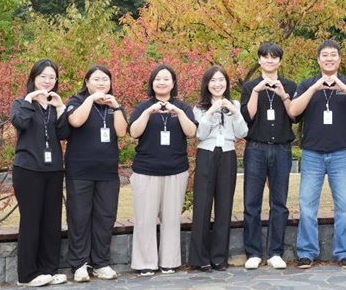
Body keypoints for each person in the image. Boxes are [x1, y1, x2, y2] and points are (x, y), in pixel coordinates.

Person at [289, 39, 346, 270]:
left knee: (344, 205)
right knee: (307, 205)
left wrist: (341, 86)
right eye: (324, 55)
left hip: (340, 153)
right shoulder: (307, 83)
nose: (329, 58)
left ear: (339, 59)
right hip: (312, 154)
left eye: (333, 55)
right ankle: (306, 253)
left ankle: (344, 252)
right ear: (318, 59)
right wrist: (315, 88)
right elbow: (293, 111)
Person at [128, 64, 197, 277]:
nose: (162, 82)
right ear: (152, 82)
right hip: (146, 170)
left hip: (176, 170)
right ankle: (145, 262)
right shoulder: (143, 106)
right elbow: (133, 132)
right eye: (158, 78)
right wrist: (149, 112)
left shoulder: (183, 107)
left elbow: (191, 132)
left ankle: (169, 261)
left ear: (173, 83)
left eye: (166, 79)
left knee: (171, 219)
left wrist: (179, 112)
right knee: (145, 219)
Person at [10, 59, 70, 287]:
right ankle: (27, 275)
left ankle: (49, 269)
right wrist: (30, 100)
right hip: (28, 169)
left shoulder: (54, 106)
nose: (47, 81)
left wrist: (61, 107)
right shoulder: (20, 103)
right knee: (31, 221)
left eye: (52, 77)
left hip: (53, 170)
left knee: (51, 221)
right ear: (33, 78)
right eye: (43, 76)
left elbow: (64, 134)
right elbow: (20, 123)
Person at [65, 65, 127, 282]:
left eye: (105, 80)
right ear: (87, 82)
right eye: (96, 79)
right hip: (80, 171)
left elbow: (122, 132)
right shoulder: (76, 101)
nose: (101, 83)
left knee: (105, 218)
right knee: (79, 218)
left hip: (107, 172)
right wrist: (91, 99)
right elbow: (75, 121)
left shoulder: (114, 105)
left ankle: (101, 263)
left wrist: (117, 107)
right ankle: (79, 264)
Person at [240, 42, 297, 270]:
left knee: (279, 202)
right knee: (251, 201)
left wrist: (284, 95)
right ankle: (253, 252)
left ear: (280, 61)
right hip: (256, 147)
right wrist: (257, 91)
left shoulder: (290, 85)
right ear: (259, 60)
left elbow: (295, 116)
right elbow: (248, 116)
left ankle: (275, 252)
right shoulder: (250, 86)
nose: (270, 60)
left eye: (274, 57)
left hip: (282, 148)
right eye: (265, 57)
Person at [189, 66, 248, 271]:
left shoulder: (235, 104)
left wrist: (235, 111)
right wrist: (211, 112)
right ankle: (200, 258)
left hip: (228, 154)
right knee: (202, 205)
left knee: (224, 206)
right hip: (206, 153)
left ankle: (219, 257)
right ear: (207, 84)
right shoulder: (199, 108)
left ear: (227, 83)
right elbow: (200, 134)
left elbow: (242, 132)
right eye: (213, 80)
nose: (217, 84)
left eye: (221, 80)